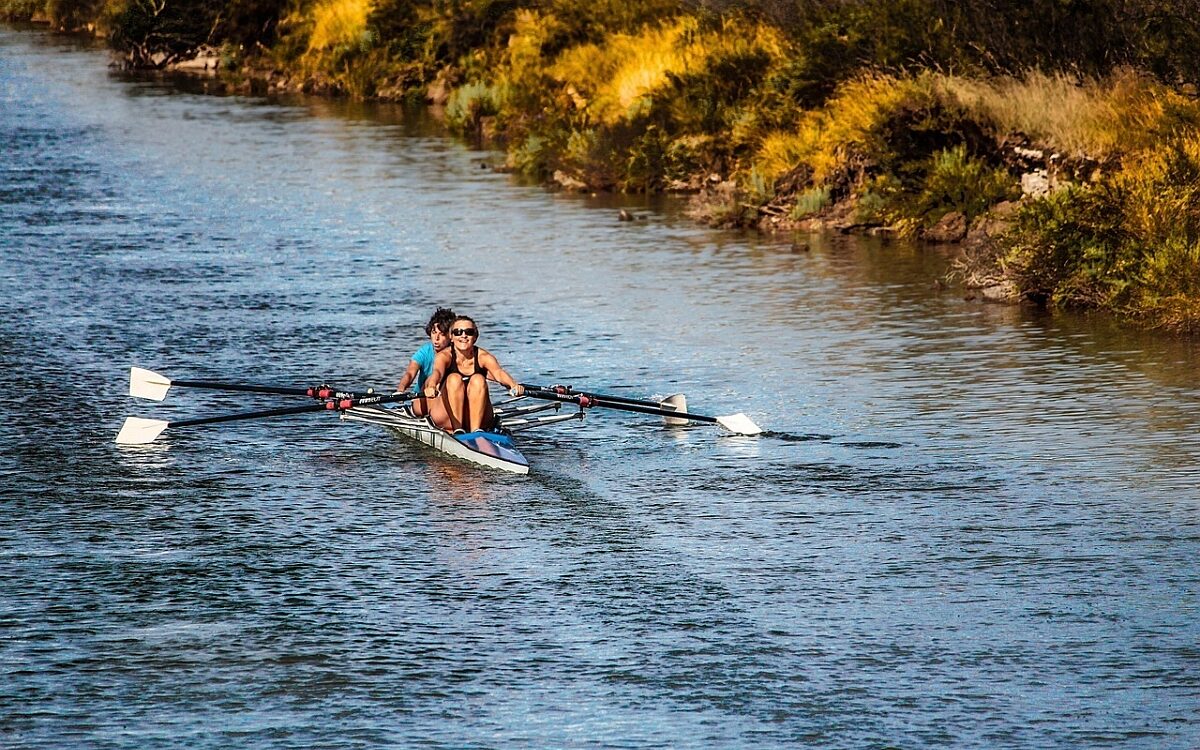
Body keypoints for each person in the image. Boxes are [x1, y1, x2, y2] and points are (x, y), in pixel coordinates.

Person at [422, 315, 524, 433]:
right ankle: (458, 430)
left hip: (479, 418)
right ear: (451, 337)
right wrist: (431, 386)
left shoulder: (483, 357)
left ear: (475, 337)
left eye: (469, 332)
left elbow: (498, 373)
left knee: (478, 379)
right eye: (458, 332)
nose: (463, 335)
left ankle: (476, 432)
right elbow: (437, 373)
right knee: (454, 378)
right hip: (447, 418)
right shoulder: (444, 357)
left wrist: (513, 385)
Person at [397, 307, 456, 422]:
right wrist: (401, 390)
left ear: (451, 337)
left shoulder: (457, 353)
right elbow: (410, 373)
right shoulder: (424, 352)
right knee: (432, 379)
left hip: (447, 398)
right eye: (434, 333)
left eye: (442, 334)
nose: (436, 339)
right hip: (421, 400)